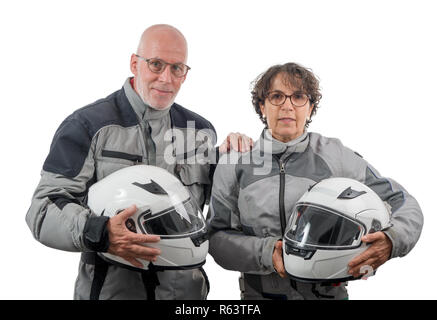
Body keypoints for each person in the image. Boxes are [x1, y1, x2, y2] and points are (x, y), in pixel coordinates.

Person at [25, 24, 252, 300]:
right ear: (135, 63)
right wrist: (101, 232)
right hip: (113, 291)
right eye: (156, 64)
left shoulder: (199, 131)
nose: (166, 78)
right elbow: (43, 208)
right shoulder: (87, 126)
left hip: (186, 294)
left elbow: (215, 209)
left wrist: (233, 155)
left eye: (177, 68)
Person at [207, 62, 423, 300]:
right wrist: (267, 253)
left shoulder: (336, 155)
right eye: (277, 96)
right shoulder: (234, 163)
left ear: (310, 107)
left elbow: (401, 201)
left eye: (298, 97)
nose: (287, 105)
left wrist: (393, 240)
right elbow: (216, 237)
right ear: (262, 106)